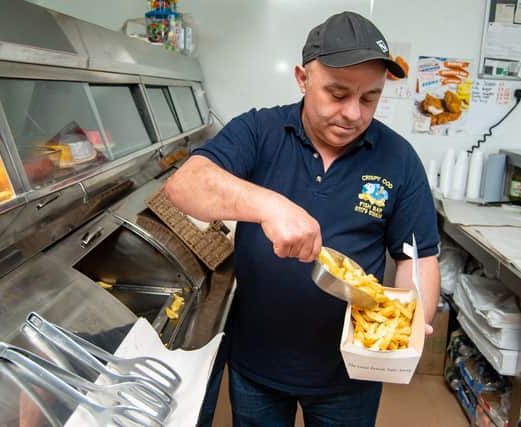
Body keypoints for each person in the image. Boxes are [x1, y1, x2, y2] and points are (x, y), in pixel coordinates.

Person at [165, 11, 440, 427]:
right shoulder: (260, 130)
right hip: (257, 364)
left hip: (349, 376)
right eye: (337, 93)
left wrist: (414, 320)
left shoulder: (398, 158)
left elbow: (416, 258)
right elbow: (185, 185)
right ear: (302, 78)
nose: (352, 113)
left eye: (369, 98)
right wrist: (270, 205)